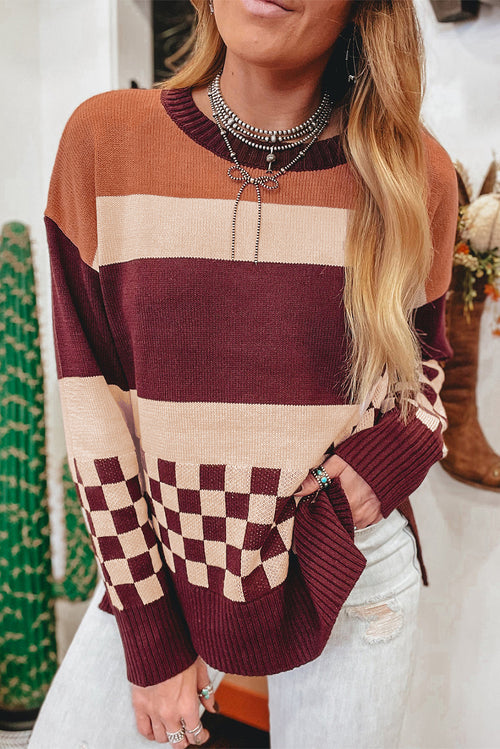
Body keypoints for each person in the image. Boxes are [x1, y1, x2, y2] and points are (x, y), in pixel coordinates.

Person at [30, 0, 459, 747]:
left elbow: (424, 363)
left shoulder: (411, 168)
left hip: (341, 553)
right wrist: (150, 631)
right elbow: (88, 397)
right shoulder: (105, 138)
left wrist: (378, 464)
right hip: (164, 555)